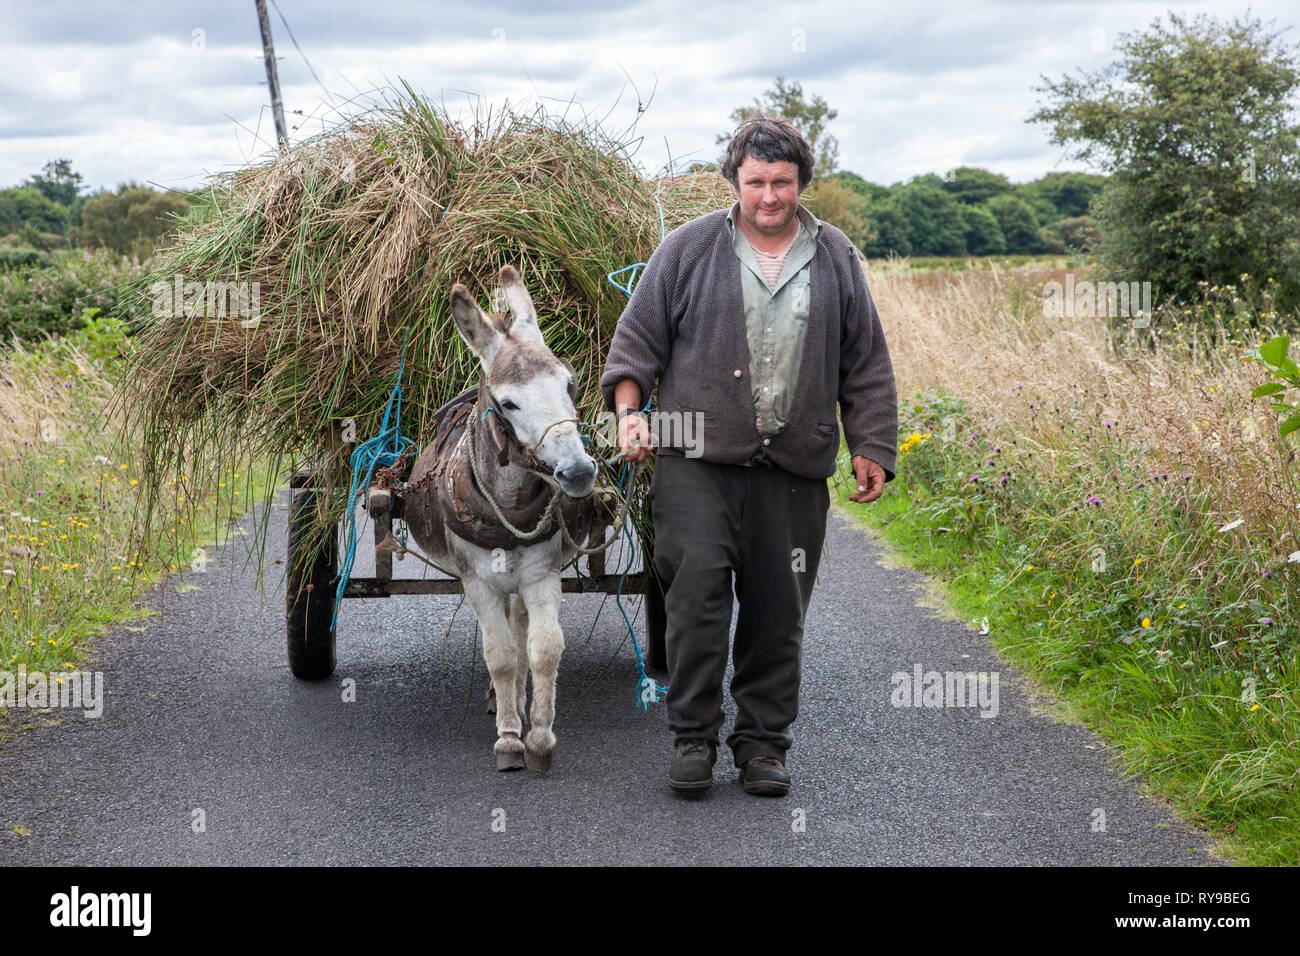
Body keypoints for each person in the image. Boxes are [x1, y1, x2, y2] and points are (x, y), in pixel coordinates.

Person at [599, 116, 898, 797]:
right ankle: (693, 738)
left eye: (782, 182)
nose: (769, 195)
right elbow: (636, 344)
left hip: (792, 471)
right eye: (756, 181)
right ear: (736, 181)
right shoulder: (687, 249)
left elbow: (867, 362)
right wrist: (629, 415)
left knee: (776, 612)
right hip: (693, 460)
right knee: (697, 599)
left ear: (801, 183)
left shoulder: (836, 256)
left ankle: (763, 745)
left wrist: (872, 445)